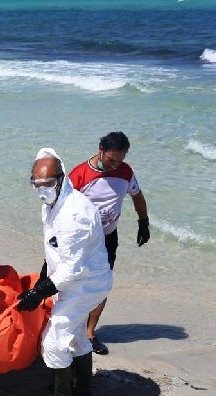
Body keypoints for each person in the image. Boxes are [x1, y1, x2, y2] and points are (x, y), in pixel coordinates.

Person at [17, 148, 113, 396]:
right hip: (73, 280)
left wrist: (39, 292)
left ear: (60, 179)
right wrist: (44, 277)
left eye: (46, 184)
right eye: (36, 184)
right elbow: (54, 248)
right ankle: (82, 385)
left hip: (87, 284)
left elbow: (73, 268)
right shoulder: (52, 201)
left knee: (55, 337)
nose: (41, 190)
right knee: (76, 335)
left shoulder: (75, 215)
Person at [68, 131, 149, 355]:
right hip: (80, 240)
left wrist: (144, 222)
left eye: (120, 160)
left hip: (108, 237)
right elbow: (60, 211)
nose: (116, 165)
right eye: (112, 160)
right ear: (100, 150)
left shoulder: (126, 172)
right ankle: (69, 328)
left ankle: (90, 333)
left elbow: (138, 195)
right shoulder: (79, 175)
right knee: (74, 284)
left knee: (101, 285)